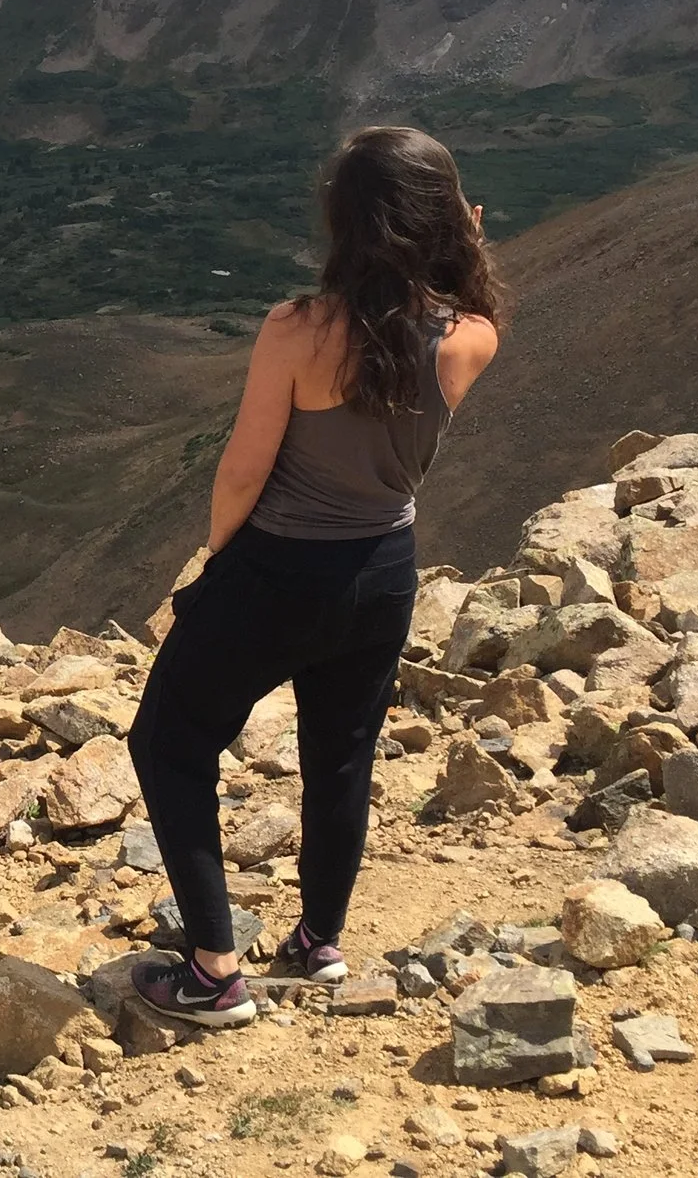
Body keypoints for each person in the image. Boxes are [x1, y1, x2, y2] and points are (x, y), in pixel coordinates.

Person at [127, 126, 505, 1025]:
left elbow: (244, 472)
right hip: (384, 571)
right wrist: (472, 245)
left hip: (279, 571)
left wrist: (220, 563)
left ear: (346, 225)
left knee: (170, 741)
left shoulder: (297, 330)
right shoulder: (473, 337)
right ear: (445, 222)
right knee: (340, 757)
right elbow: (456, 302)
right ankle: (318, 943)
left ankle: (214, 974)